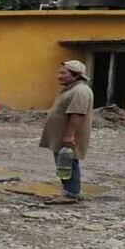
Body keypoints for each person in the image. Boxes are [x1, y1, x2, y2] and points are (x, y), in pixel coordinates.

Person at [39, 60, 95, 204]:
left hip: (68, 135)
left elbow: (77, 114)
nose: (59, 76)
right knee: (64, 162)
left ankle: (71, 194)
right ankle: (69, 191)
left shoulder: (80, 91)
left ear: (76, 75)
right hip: (61, 135)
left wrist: (70, 135)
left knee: (69, 162)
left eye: (63, 73)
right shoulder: (72, 89)